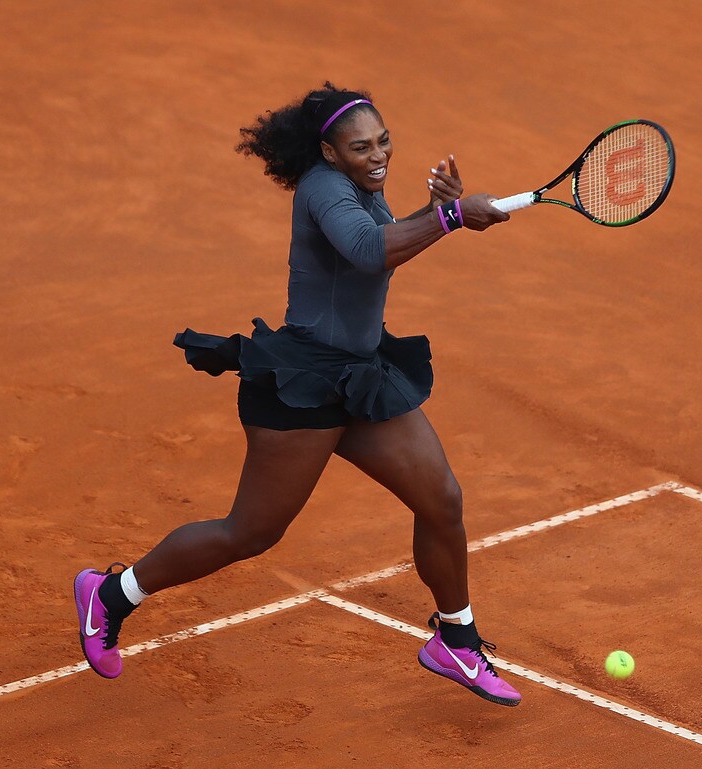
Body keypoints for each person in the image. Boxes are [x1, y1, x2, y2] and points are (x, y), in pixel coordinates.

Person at [73, 82, 521, 707]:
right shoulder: (322, 189)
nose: (377, 155)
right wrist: (448, 218)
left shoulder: (361, 185)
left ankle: (457, 640)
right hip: (304, 384)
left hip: (359, 376)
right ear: (329, 153)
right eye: (361, 147)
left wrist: (435, 212)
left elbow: (384, 244)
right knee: (249, 533)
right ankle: (111, 594)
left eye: (383, 141)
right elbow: (367, 252)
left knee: (441, 499)